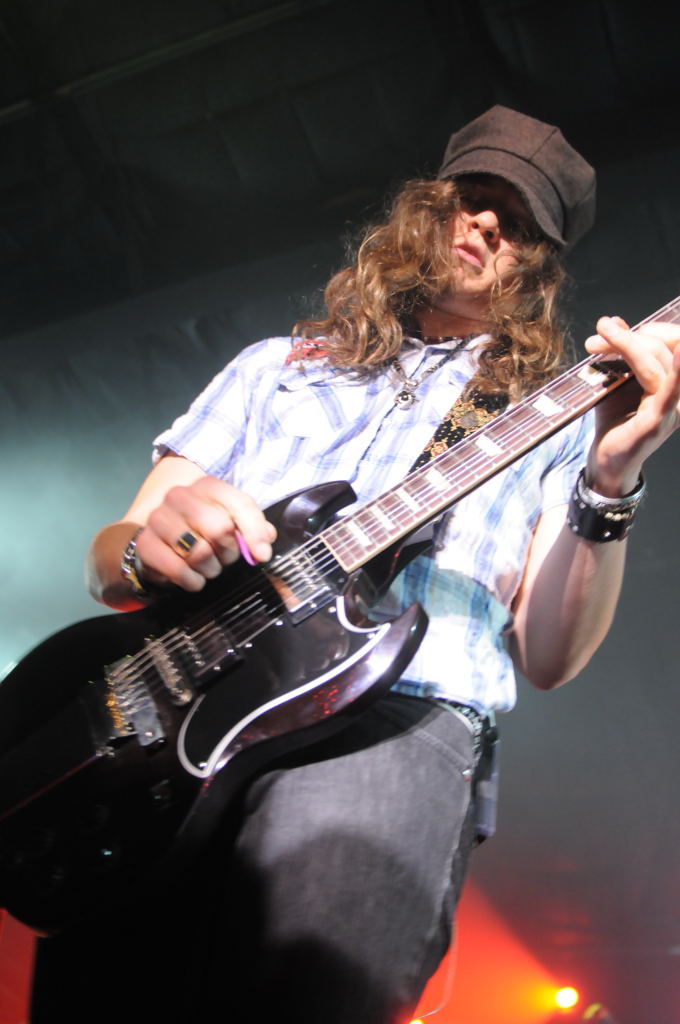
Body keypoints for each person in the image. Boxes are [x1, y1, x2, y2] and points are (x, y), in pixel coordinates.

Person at [31, 107, 680, 1024]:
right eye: (473, 197)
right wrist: (155, 542)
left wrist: (612, 478)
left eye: (518, 221)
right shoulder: (274, 368)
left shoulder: (561, 416)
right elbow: (111, 563)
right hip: (177, 714)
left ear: (536, 269)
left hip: (393, 722)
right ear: (425, 207)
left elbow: (550, 656)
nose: (486, 223)